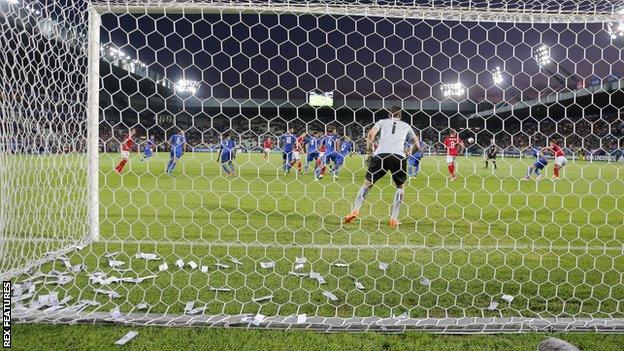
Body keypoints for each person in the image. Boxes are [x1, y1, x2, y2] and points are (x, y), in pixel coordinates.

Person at [344, 106, 420, 228]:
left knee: (367, 184)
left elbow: (370, 135)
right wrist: (407, 153)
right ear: (400, 115)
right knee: (400, 187)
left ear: (389, 115)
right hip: (398, 156)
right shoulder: (406, 125)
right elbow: (417, 145)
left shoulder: (382, 122)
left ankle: (355, 210)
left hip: (381, 155)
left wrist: (369, 152)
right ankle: (394, 219)